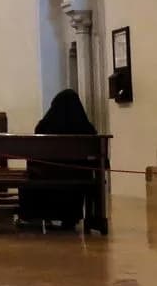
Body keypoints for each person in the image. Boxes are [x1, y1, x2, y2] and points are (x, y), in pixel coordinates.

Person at [18, 88, 99, 230]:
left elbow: (34, 155)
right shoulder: (87, 129)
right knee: (75, 178)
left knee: (30, 178)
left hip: (47, 176)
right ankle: (71, 217)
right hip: (78, 177)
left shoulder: (44, 126)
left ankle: (38, 216)